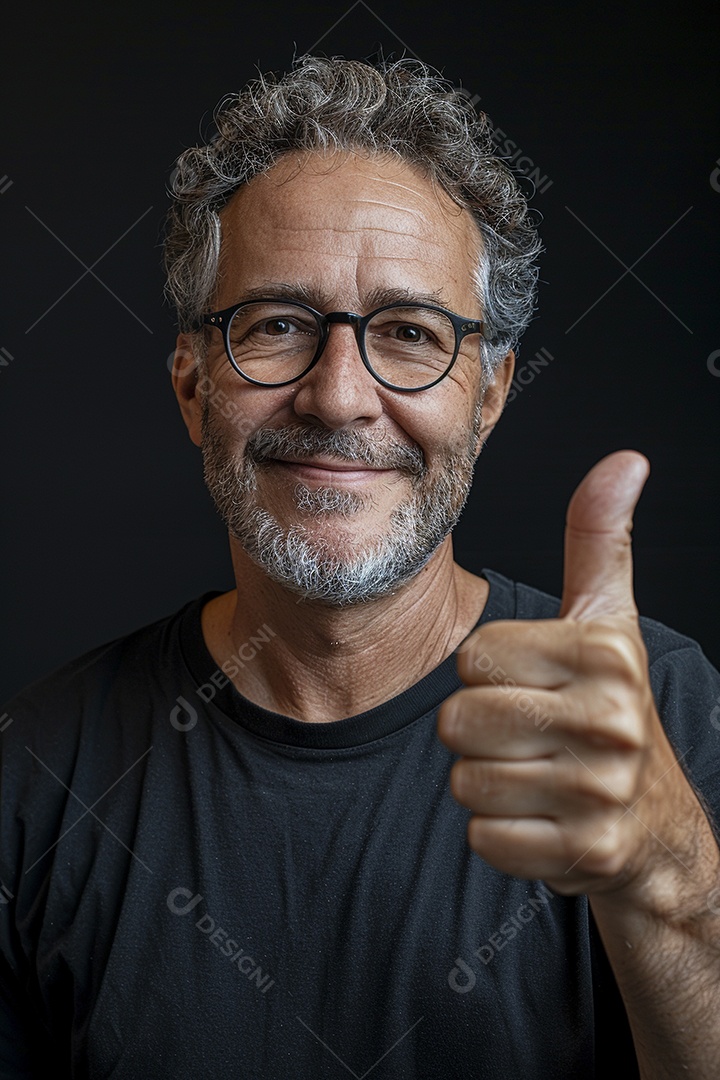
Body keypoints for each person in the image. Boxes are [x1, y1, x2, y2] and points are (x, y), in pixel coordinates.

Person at [1, 55, 718, 1080]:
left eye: (409, 333)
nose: (339, 397)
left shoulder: (662, 717)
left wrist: (669, 881)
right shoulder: (33, 781)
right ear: (193, 385)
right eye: (279, 325)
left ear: (491, 394)